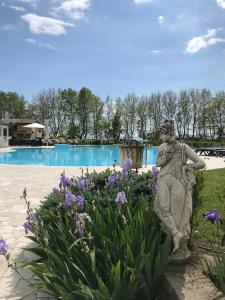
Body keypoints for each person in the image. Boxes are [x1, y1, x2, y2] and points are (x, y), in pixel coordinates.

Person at [153, 120, 206, 255]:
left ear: (168, 133)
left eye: (162, 134)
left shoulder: (183, 147)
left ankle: (179, 247)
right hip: (164, 178)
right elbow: (158, 163)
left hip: (178, 181)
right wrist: (166, 158)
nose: (160, 137)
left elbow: (201, 163)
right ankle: (176, 234)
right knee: (159, 207)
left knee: (177, 215)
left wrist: (188, 166)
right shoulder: (162, 147)